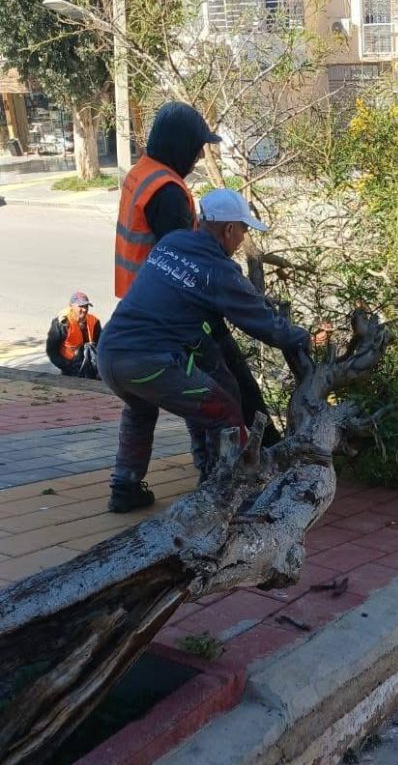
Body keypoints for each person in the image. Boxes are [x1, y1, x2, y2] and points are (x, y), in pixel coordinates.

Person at [98, 189, 310, 513]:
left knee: (142, 409)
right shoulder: (218, 270)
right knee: (224, 413)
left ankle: (125, 488)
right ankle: (230, 494)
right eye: (243, 230)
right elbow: (264, 325)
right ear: (229, 229)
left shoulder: (172, 243)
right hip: (151, 363)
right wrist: (301, 338)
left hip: (111, 354)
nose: (243, 238)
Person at [115, 100, 281, 447]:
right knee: (223, 387)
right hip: (170, 314)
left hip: (141, 306)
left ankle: (132, 480)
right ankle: (252, 455)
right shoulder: (167, 192)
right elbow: (189, 267)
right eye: (197, 147)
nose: (199, 157)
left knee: (145, 407)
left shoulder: (142, 173)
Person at [46, 291, 101, 379]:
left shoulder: (94, 321)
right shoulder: (62, 323)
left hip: (91, 368)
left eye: (86, 306)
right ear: (71, 306)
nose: (84, 309)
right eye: (81, 306)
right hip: (71, 370)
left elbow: (101, 345)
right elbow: (52, 351)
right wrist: (67, 366)